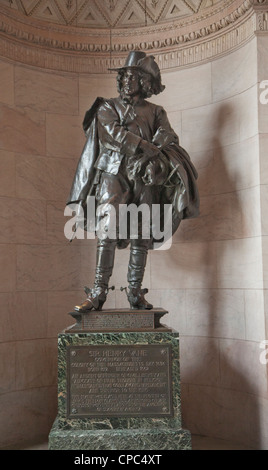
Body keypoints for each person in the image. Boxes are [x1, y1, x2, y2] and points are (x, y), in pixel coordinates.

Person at [67, 51, 199, 312]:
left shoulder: (156, 111)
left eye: (133, 76)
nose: (127, 80)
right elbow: (113, 134)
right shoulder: (106, 106)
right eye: (124, 76)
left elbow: (168, 137)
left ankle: (135, 292)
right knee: (108, 231)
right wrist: (148, 148)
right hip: (113, 175)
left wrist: (153, 152)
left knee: (141, 234)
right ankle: (98, 292)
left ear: (146, 82)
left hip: (146, 176)